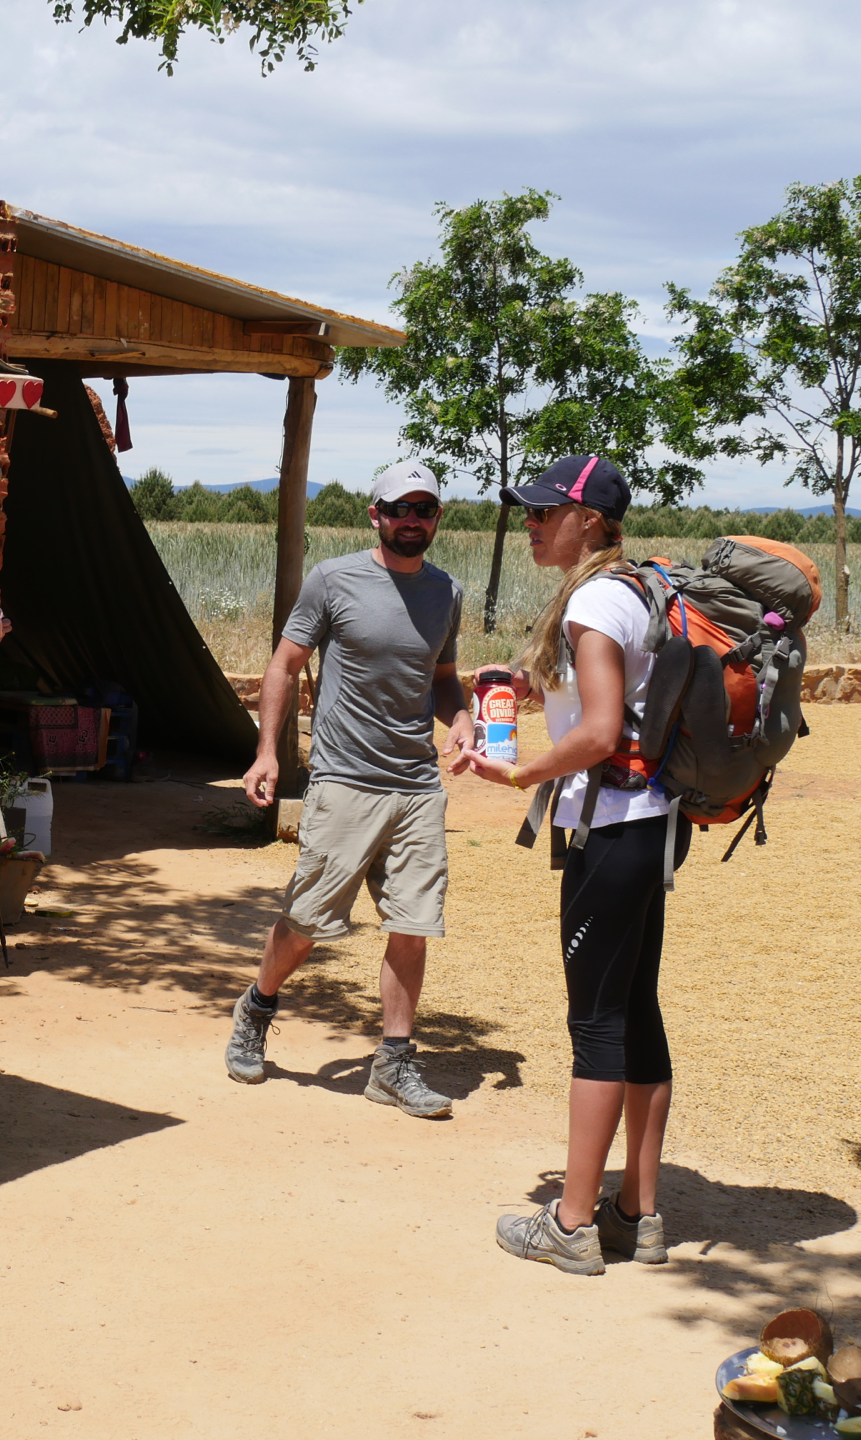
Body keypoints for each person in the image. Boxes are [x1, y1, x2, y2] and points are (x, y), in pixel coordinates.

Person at [457, 455, 686, 1276]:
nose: (529, 524)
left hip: (611, 832)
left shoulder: (592, 598)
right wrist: (494, 694)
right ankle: (640, 1215)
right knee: (637, 1013)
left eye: (543, 512)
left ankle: (573, 1224)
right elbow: (588, 691)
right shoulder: (632, 586)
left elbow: (594, 732)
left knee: (595, 1023)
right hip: (653, 826)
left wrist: (516, 774)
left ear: (589, 521)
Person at [231, 461, 472, 1117]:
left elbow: (443, 678)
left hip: (416, 785)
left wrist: (466, 717)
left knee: (413, 924)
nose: (411, 520)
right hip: (343, 779)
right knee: (308, 923)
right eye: (400, 508)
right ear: (376, 514)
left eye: (424, 509)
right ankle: (257, 1005)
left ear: (436, 518)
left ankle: (393, 1065)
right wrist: (267, 753)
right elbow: (285, 664)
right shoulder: (333, 579)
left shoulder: (446, 591)